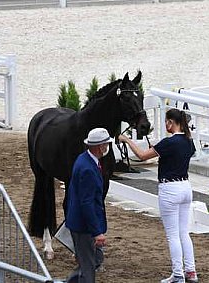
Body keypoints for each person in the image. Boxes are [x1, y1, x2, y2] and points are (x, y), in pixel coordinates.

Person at [118, 108, 198, 283]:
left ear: (170, 122)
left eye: (166, 122)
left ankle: (178, 273)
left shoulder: (168, 142)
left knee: (172, 235)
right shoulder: (189, 141)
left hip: (170, 188)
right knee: (184, 232)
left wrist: (126, 139)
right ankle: (190, 271)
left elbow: (142, 156)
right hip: (185, 186)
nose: (165, 125)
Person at [65, 127, 111, 283]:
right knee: (88, 267)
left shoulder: (84, 159)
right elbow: (87, 203)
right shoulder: (88, 169)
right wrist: (97, 232)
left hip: (80, 223)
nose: (107, 147)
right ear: (100, 147)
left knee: (94, 259)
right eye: (106, 144)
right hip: (84, 226)